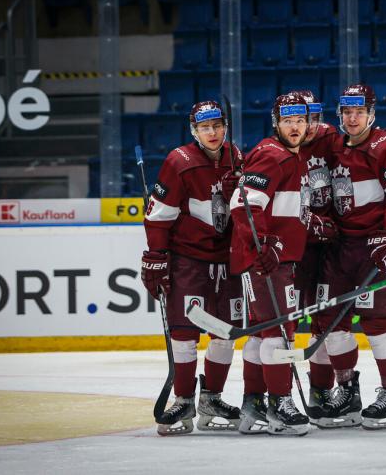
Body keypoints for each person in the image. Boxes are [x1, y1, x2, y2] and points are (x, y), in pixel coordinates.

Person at [312, 84, 386, 430]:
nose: (352, 118)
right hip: (338, 249)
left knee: (377, 325)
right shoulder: (335, 147)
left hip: (373, 249)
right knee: (331, 324)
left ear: (371, 114)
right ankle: (347, 391)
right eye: (346, 112)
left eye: (358, 111)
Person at [140, 100, 244, 436]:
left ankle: (211, 399)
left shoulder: (236, 157)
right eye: (204, 127)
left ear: (225, 125)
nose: (212, 133)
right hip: (189, 261)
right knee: (185, 334)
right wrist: (156, 257)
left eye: (217, 125)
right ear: (194, 130)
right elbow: (158, 217)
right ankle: (183, 399)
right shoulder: (178, 161)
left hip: (227, 261)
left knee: (226, 333)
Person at [229, 92, 329, 436]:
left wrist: (310, 224)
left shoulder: (294, 156)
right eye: (288, 121)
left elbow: (282, 207)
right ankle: (280, 404)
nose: (296, 127)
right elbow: (242, 205)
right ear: (277, 123)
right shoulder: (272, 155)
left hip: (272, 257)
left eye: (301, 120)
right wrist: (266, 245)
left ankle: (253, 404)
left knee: (263, 333)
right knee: (279, 331)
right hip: (265, 260)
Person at [287, 89, 341, 425]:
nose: (307, 126)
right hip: (294, 250)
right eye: (298, 119)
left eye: (311, 118)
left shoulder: (332, 140)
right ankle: (276, 395)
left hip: (331, 246)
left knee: (325, 320)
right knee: (284, 324)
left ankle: (321, 389)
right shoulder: (277, 147)